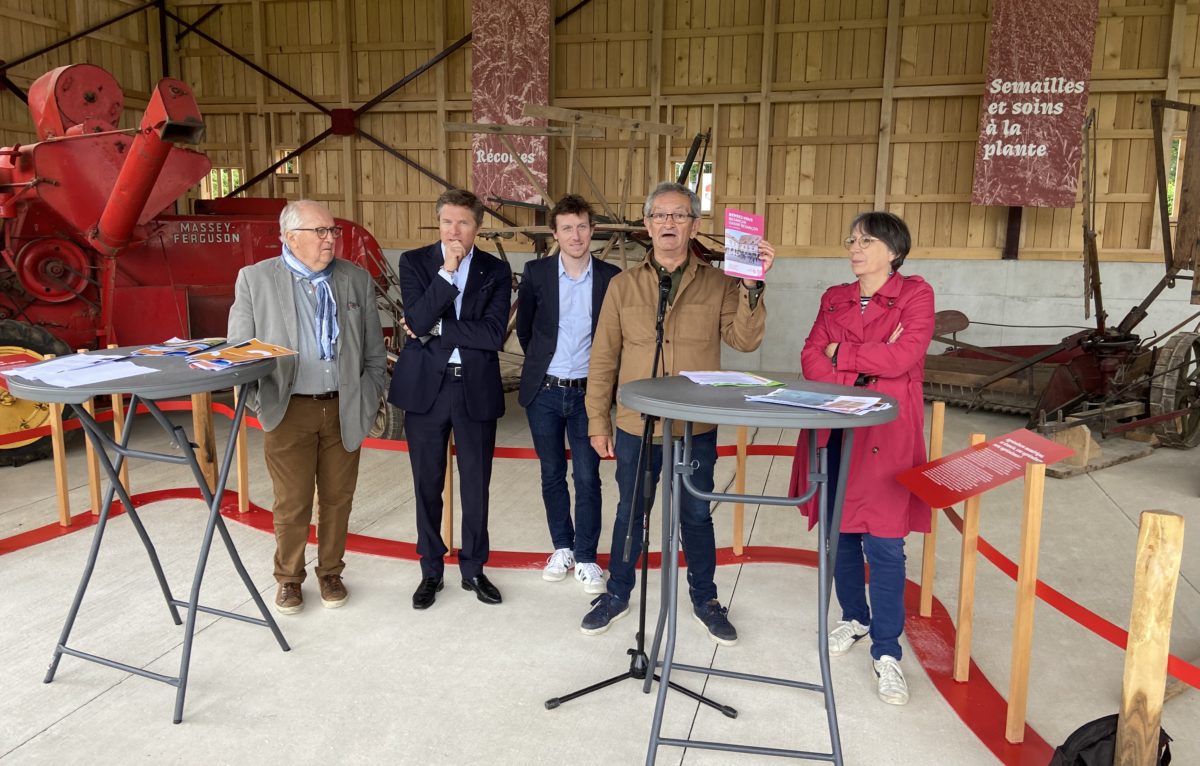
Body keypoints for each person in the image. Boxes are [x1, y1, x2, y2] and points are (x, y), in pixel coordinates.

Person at [583, 181, 774, 645]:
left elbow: (745, 341)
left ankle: (705, 598)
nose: (669, 223)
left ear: (695, 225)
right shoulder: (622, 287)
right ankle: (618, 592)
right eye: (660, 216)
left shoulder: (720, 283)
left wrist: (752, 286)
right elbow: (604, 357)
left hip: (695, 425)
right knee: (631, 511)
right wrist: (597, 420)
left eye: (679, 215)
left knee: (696, 514)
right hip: (635, 424)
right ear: (647, 225)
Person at [788, 211, 934, 705]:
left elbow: (904, 359)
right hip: (835, 429)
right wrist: (866, 360)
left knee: (887, 547)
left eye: (865, 241)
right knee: (841, 536)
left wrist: (842, 355)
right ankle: (854, 617)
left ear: (892, 250)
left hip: (886, 437)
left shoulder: (916, 294)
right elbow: (809, 359)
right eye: (851, 239)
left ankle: (887, 651)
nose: (854, 248)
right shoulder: (834, 297)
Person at [227, 199, 387, 615]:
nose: (330, 239)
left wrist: (368, 399)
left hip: (343, 407)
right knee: (292, 501)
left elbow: (374, 350)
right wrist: (263, 403)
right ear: (290, 237)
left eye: (332, 231)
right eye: (320, 232)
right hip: (289, 408)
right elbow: (238, 352)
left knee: (338, 498)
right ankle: (289, 579)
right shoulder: (256, 280)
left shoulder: (354, 279)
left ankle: (331, 571)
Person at [389, 189, 512, 609]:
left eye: (462, 223)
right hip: (426, 389)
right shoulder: (415, 262)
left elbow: (493, 335)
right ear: (438, 222)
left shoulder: (496, 270)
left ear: (477, 227)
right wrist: (447, 272)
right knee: (426, 485)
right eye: (446, 222)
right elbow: (417, 317)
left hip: (474, 388)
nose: (453, 231)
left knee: (476, 485)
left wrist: (437, 330)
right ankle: (431, 570)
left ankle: (474, 569)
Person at [515, 194, 621, 593]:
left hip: (588, 396)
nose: (575, 235)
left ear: (592, 231)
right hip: (544, 391)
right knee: (551, 473)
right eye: (566, 228)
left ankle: (588, 556)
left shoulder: (611, 277)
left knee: (588, 476)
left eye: (581, 226)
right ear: (555, 233)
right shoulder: (536, 273)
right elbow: (526, 330)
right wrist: (546, 365)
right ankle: (562, 547)